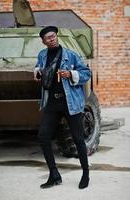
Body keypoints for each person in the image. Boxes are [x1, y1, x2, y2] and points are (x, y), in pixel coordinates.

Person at [34, 26, 92, 189]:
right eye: (48, 37)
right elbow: (39, 67)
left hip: (70, 103)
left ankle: (85, 173)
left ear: (57, 37)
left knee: (78, 139)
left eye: (53, 36)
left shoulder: (71, 55)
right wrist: (38, 72)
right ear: (43, 41)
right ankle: (54, 175)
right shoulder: (42, 55)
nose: (51, 39)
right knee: (43, 137)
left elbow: (87, 73)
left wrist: (71, 75)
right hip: (52, 103)